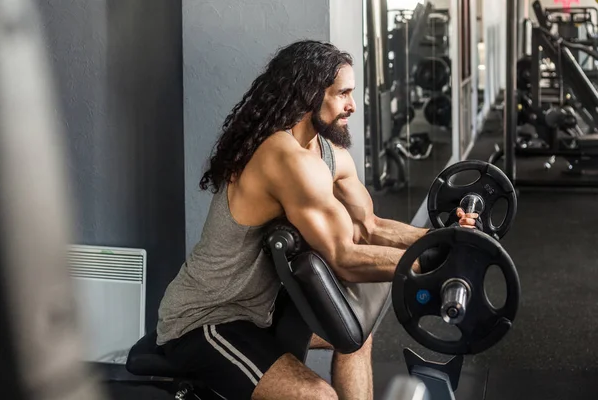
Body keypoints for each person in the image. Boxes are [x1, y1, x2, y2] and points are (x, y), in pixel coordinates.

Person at [156, 40, 478, 400]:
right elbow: (343, 257)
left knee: (355, 334)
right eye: (343, 94)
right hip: (207, 320)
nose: (352, 106)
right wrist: (432, 265)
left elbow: (371, 226)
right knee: (318, 396)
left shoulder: (328, 154)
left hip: (260, 310)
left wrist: (444, 239)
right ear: (310, 94)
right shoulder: (281, 157)